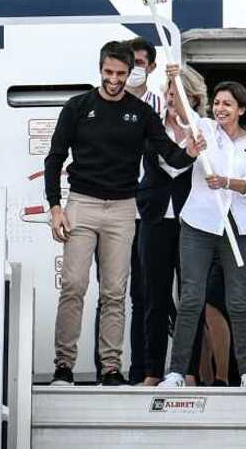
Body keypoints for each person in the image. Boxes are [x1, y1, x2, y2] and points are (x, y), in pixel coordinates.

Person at [45, 41, 205, 386]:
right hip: (82, 203)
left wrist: (190, 151)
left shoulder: (142, 113)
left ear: (130, 71)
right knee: (73, 284)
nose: (114, 80)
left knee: (115, 291)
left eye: (120, 73)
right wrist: (55, 207)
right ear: (100, 69)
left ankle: (111, 367)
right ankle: (63, 365)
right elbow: (54, 157)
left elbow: (171, 156)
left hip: (122, 208)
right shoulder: (77, 106)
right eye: (108, 73)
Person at [159, 81, 246, 389]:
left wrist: (226, 182)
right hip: (199, 224)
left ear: (241, 109)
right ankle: (176, 372)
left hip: (239, 227)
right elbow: (180, 107)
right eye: (217, 102)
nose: (220, 108)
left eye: (228, 104)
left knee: (238, 301)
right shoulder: (204, 127)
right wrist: (174, 75)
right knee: (191, 297)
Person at [136, 65, 207, 385]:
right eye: (166, 92)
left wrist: (194, 140)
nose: (168, 97)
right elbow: (170, 166)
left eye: (174, 92)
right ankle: (152, 370)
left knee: (190, 298)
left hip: (192, 221)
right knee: (155, 297)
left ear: (191, 97)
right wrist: (188, 150)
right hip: (153, 218)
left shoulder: (203, 128)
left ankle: (188, 369)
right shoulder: (151, 125)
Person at [121, 36, 161, 383]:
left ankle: (146, 369)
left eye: (139, 63)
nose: (133, 69)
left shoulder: (162, 104)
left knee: (148, 296)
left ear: (151, 66)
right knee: (112, 292)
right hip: (113, 212)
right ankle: (111, 370)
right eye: (127, 62)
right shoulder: (103, 104)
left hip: (153, 213)